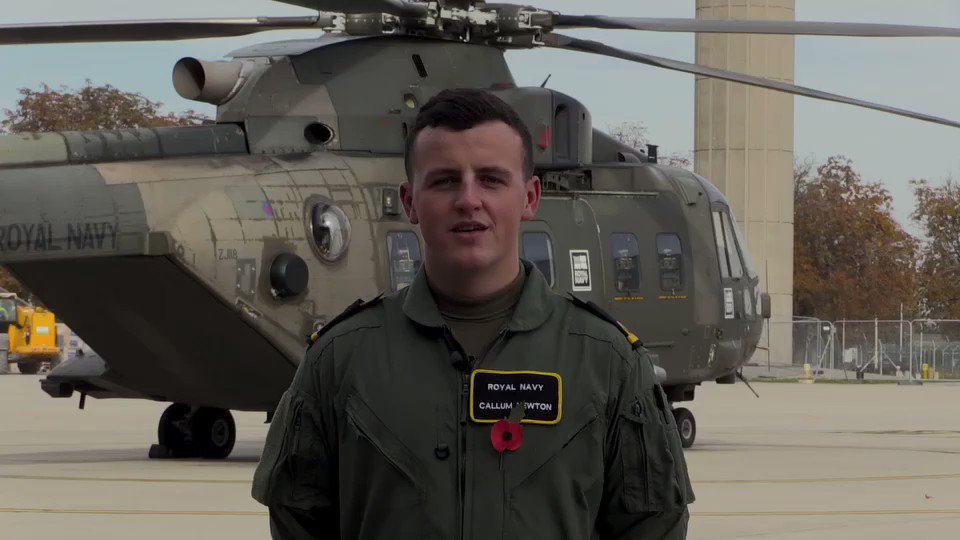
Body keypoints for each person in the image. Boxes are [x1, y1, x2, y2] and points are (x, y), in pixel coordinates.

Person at [252, 88, 694, 539]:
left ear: (529, 197)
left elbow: (653, 524)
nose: (468, 199)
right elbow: (298, 520)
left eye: (491, 179)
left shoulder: (607, 362)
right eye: (445, 180)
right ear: (409, 201)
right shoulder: (341, 359)